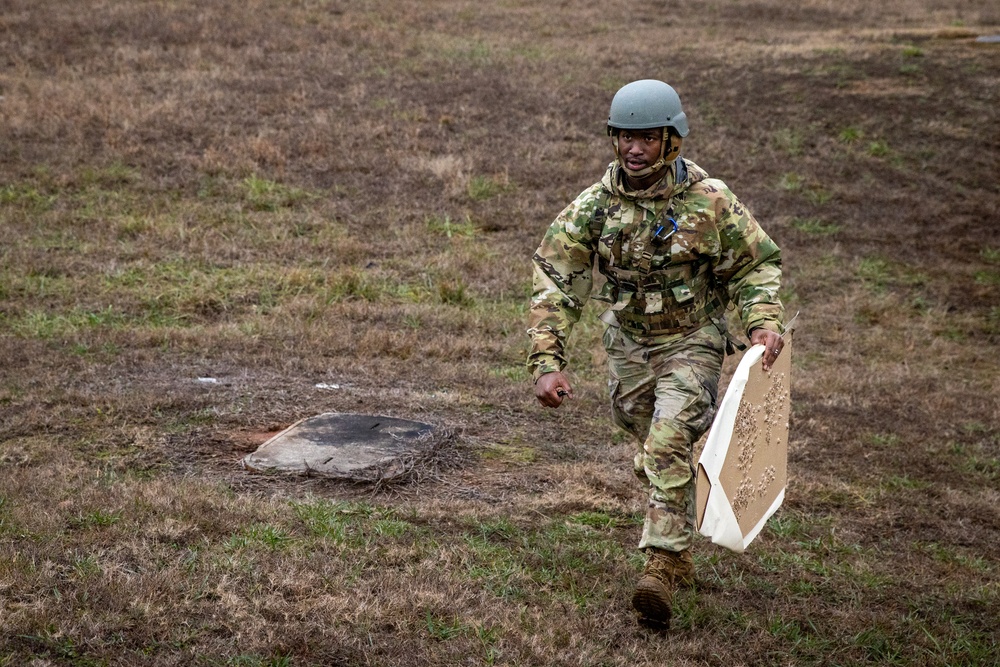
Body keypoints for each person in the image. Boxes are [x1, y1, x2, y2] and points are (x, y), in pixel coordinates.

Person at [526, 79, 785, 628]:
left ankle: (661, 565)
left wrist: (762, 323)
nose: (634, 149)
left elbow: (755, 263)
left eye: (646, 138)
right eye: (624, 137)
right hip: (628, 347)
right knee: (652, 445)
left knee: (667, 440)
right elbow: (556, 280)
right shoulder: (594, 208)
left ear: (672, 140)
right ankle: (681, 540)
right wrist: (547, 361)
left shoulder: (709, 200)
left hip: (693, 340)